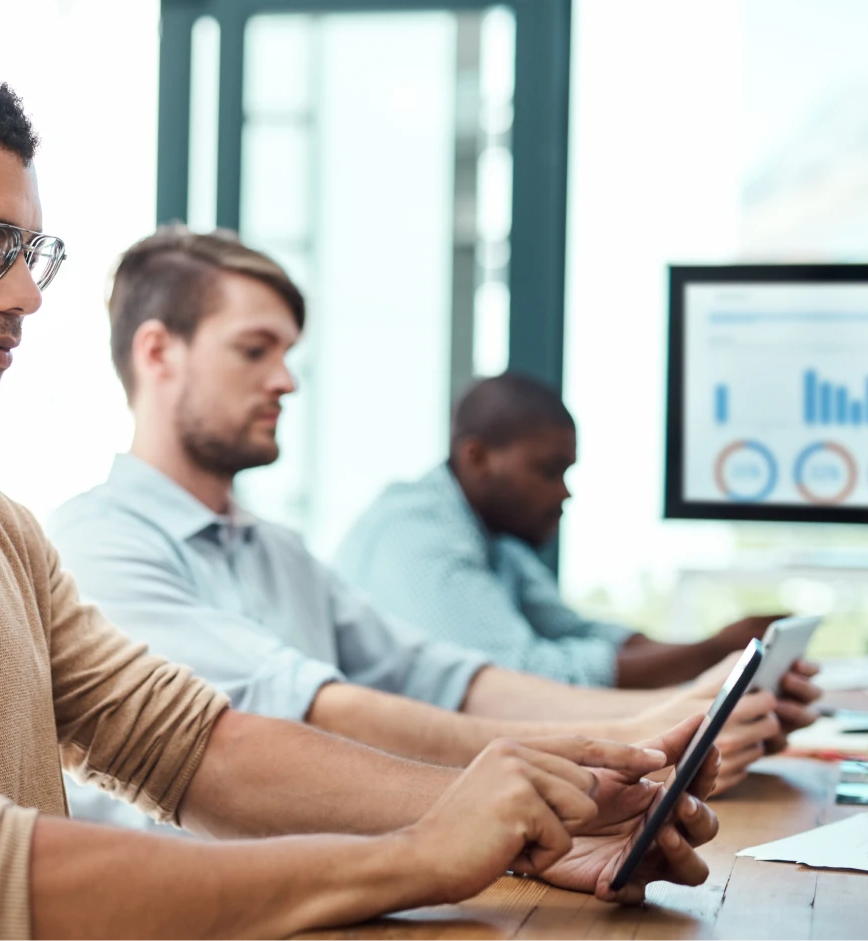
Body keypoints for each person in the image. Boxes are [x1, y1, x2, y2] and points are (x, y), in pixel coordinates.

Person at [0, 41, 723, 941]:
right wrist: (420, 852)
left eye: (30, 252)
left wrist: (521, 822)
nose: (24, 296)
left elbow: (190, 744)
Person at [49, 227, 803, 835]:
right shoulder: (98, 546)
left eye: (287, 354)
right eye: (255, 350)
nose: (286, 380)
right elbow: (306, 709)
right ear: (158, 353)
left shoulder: (276, 550)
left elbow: (443, 675)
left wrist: (672, 712)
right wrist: (637, 730)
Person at [335, 373, 818, 700]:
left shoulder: (494, 537)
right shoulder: (416, 535)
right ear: (478, 458)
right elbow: (525, 679)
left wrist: (707, 653)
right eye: (548, 471)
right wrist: (713, 653)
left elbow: (576, 632)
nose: (564, 492)